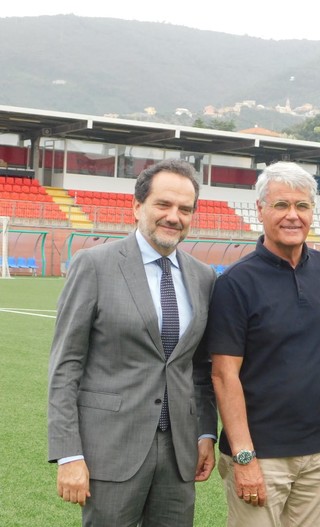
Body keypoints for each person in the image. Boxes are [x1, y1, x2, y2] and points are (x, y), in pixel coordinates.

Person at [47, 159, 218, 526]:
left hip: (178, 454)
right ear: (137, 206)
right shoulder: (94, 265)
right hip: (110, 449)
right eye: (163, 204)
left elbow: (201, 370)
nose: (174, 216)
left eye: (185, 209)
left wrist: (206, 432)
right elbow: (65, 366)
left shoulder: (203, 278)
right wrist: (68, 454)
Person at [204, 161, 320, 527]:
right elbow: (223, 375)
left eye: (302, 206)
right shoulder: (236, 283)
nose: (292, 216)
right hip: (261, 457)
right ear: (261, 210)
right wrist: (244, 457)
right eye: (281, 205)